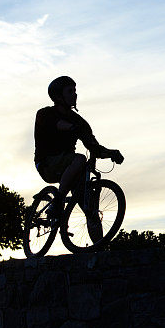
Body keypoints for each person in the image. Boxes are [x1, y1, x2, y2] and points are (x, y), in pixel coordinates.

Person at [34, 76, 124, 233]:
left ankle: (98, 248)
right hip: (47, 164)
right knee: (80, 158)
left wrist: (111, 153)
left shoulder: (79, 121)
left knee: (90, 209)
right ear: (58, 96)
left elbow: (93, 146)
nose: (75, 95)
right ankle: (58, 202)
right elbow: (57, 125)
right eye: (70, 91)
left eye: (75, 91)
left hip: (70, 167)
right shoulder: (45, 114)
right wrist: (71, 128)